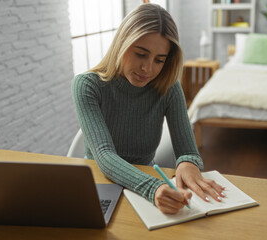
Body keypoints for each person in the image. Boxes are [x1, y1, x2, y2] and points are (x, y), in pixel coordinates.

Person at [72, 3, 225, 214]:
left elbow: (188, 151)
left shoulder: (168, 86)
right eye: (141, 54)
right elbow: (105, 155)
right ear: (122, 44)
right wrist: (153, 188)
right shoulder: (87, 86)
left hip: (148, 184)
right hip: (101, 182)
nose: (148, 69)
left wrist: (188, 162)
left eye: (159, 60)